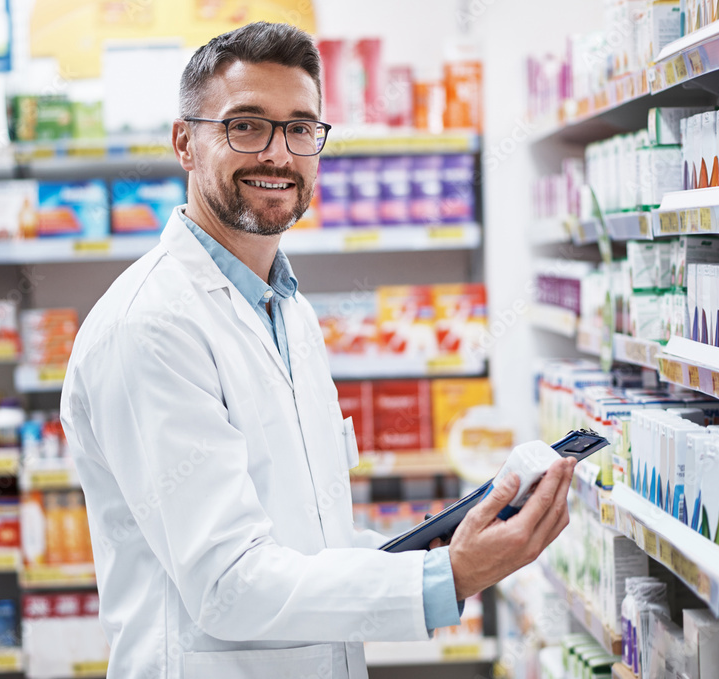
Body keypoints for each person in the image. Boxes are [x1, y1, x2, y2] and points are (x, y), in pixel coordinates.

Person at [60, 21, 576, 679]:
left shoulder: (290, 310)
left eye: (301, 128)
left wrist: (435, 544)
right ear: (184, 143)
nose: (278, 154)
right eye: (246, 125)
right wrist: (445, 575)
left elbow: (309, 546)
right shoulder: (149, 326)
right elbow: (228, 583)